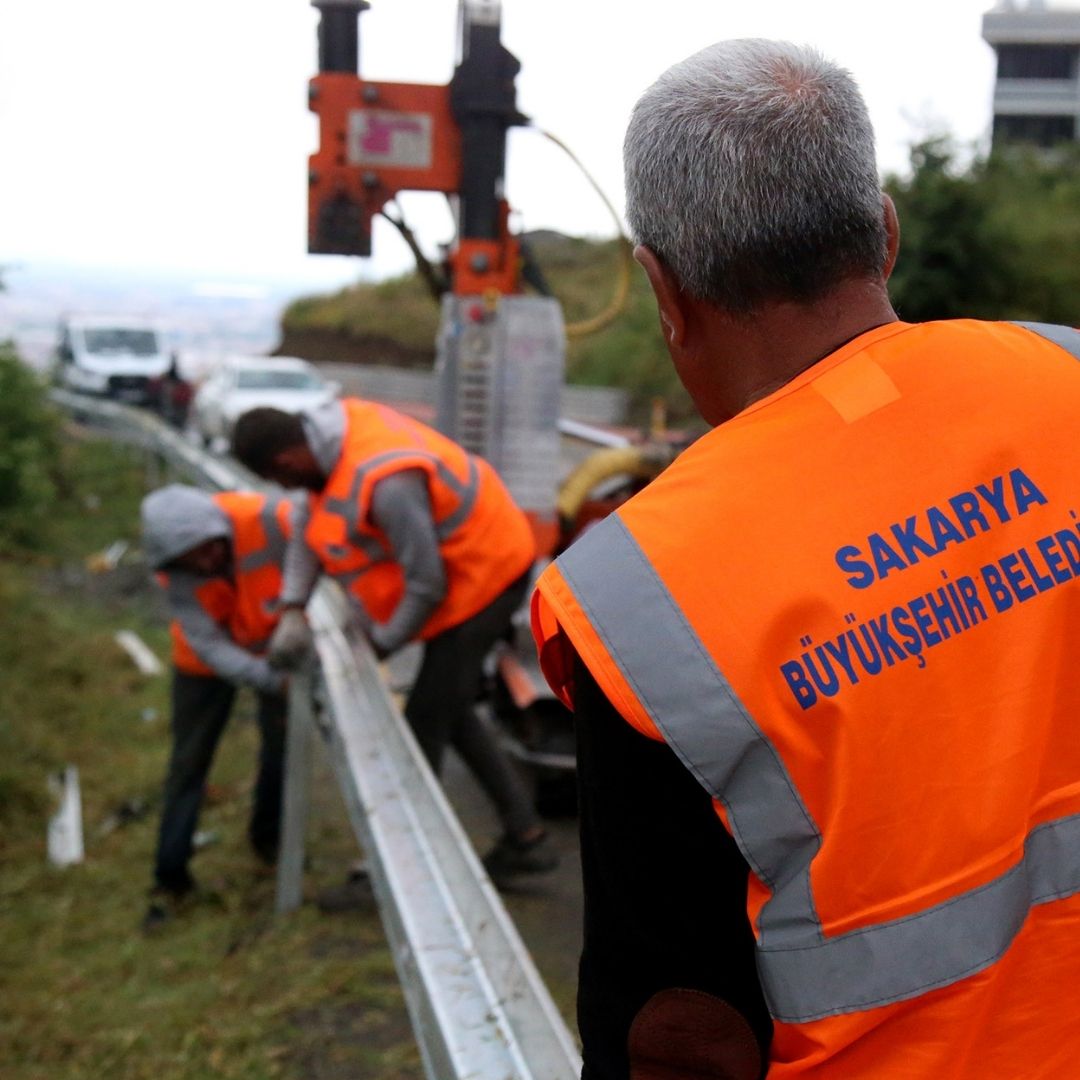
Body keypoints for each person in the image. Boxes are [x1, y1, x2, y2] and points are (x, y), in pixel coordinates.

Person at [531, 39, 1080, 1080]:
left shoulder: (640, 601)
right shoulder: (1067, 373)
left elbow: (676, 1034)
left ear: (664, 291)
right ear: (885, 232)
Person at [230, 398, 558, 885]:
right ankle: (525, 834)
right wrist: (293, 606)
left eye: (279, 481)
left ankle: (402, 867)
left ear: (286, 462)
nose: (284, 490)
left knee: (425, 720)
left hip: (486, 575)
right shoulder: (324, 447)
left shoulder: (386, 482)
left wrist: (381, 645)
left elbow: (426, 584)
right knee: (450, 707)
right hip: (457, 577)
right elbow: (308, 527)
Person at [140, 483, 294, 930]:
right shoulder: (176, 571)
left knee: (281, 752)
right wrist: (268, 680)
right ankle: (171, 876)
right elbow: (207, 642)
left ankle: (270, 844)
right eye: (191, 560)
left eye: (207, 550)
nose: (205, 564)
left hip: (273, 649)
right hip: (204, 666)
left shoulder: (270, 519)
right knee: (188, 763)